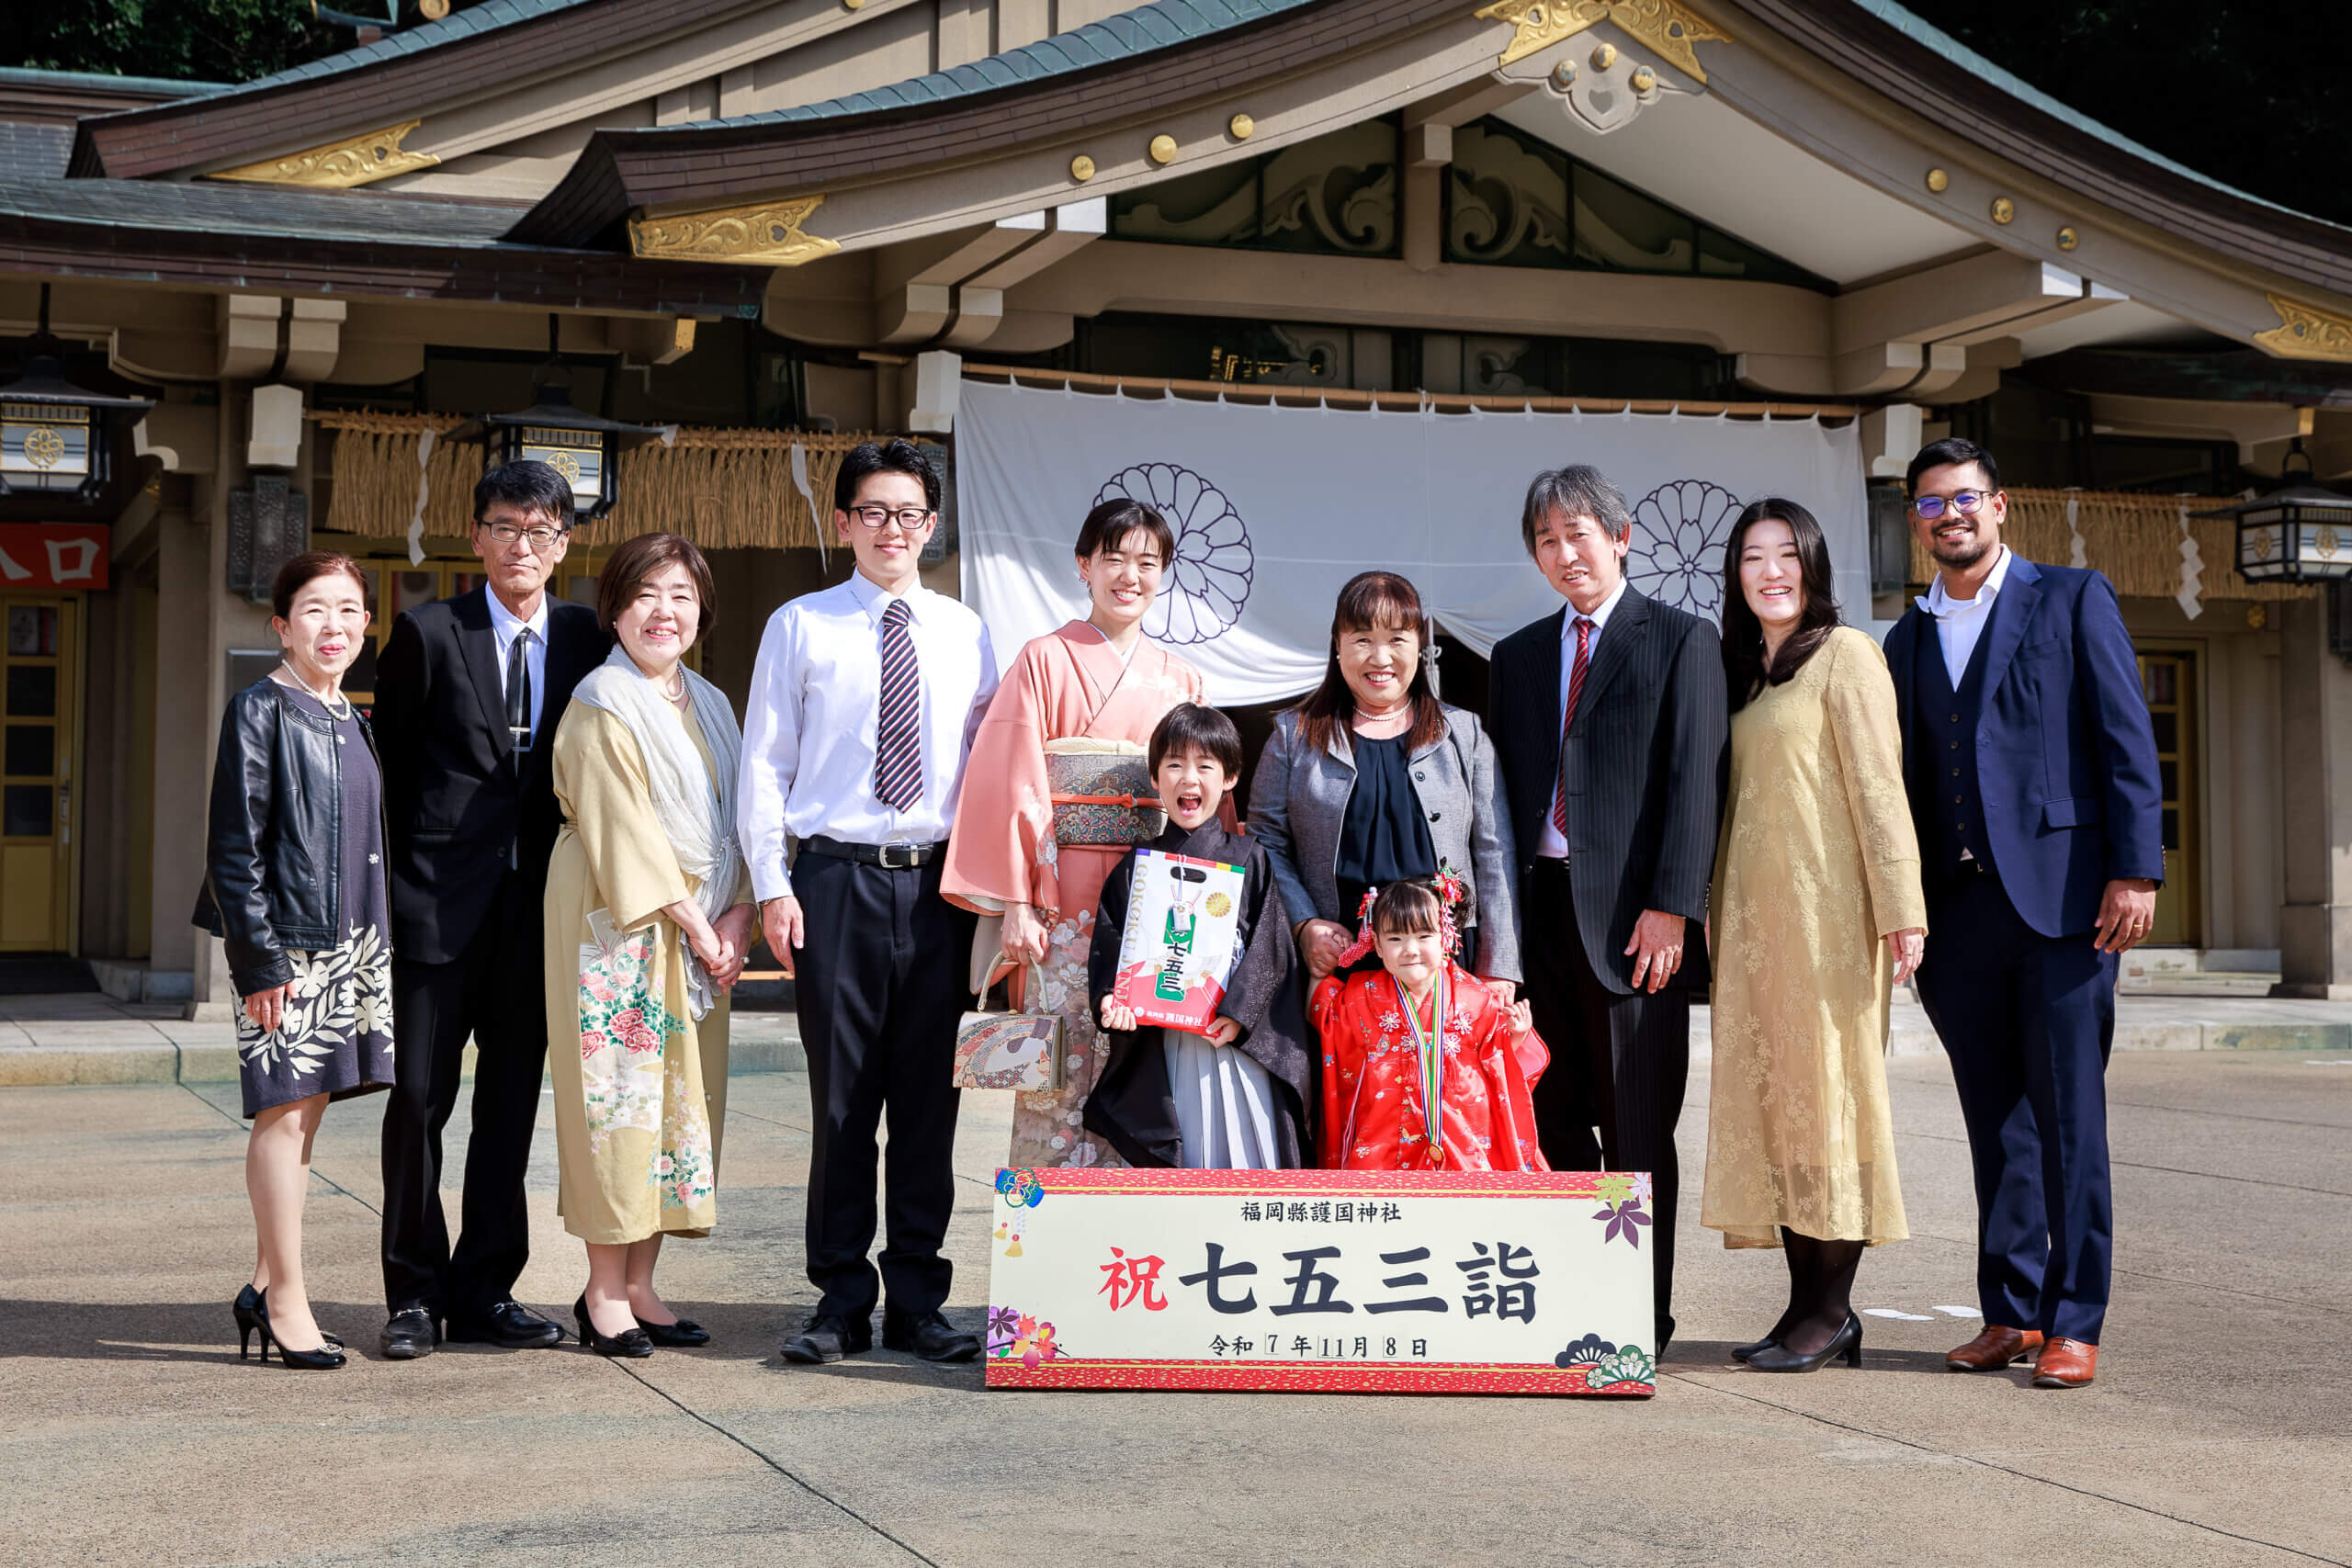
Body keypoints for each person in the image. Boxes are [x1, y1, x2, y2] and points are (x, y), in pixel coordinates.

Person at [1886, 437, 2163, 1391]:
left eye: (1964, 499)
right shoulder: (1906, 637)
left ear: (1999, 507)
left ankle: (2075, 1319)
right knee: (1992, 1122)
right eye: (1930, 505)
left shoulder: (2071, 598)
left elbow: (2126, 739)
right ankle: (2009, 1312)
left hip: (2064, 905)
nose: (1948, 515)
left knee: (2069, 1121)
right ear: (1916, 523)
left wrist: (2136, 871)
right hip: (1957, 917)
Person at [740, 439, 998, 1366]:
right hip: (833, 884)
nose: (893, 530)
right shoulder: (800, 625)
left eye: (911, 515)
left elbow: (994, 775)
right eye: (874, 512)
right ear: (843, 520)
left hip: (940, 888)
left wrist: (1001, 900)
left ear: (932, 527)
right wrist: (772, 882)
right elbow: (763, 764)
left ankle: (920, 1302)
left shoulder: (967, 633)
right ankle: (839, 1300)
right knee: (842, 1102)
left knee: (932, 1106)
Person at [371, 460, 611, 1359]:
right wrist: (391, 899)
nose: (524, 545)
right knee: (419, 1106)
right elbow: (390, 774)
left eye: (542, 531)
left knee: (508, 1111)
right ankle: (412, 1294)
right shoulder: (430, 633)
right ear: (476, 536)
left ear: (564, 544)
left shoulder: (589, 638)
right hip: (434, 909)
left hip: (539, 913)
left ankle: (484, 1292)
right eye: (507, 527)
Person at [1487, 463, 1726, 1359]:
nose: (1562, 553)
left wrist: (1672, 907)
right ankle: (1566, 1293)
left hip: (1634, 930)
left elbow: (1693, 786)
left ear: (1618, 537)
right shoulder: (1514, 659)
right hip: (1537, 923)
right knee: (1547, 1125)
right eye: (1545, 540)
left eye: (1576, 533)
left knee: (1634, 1130)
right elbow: (1504, 801)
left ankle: (1637, 1317)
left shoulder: (1677, 640)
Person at [1701, 499, 1928, 1373]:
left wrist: (1902, 907)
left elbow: (1880, 789)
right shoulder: (1746, 672)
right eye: (1753, 556)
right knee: (1780, 1111)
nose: (1770, 571)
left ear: (1813, 565)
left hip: (1832, 923)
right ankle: (1805, 1307)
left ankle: (1831, 1311)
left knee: (1831, 1105)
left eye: (1786, 554)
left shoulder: (1848, 656)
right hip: (1756, 930)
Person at [944, 498, 1212, 1171]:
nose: (1130, 574)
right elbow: (1012, 781)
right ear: (1083, 565)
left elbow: (1199, 796)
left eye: (1147, 562)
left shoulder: (1182, 678)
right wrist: (1016, 901)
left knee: (1145, 1064)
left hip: (1152, 900)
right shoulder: (1043, 659)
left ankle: (1131, 1241)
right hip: (1060, 895)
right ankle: (1045, 1239)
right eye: (1114, 557)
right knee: (1054, 1069)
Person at [544, 533, 754, 1358]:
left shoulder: (711, 701)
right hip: (619, 923)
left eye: (681, 595)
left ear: (701, 609)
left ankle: (641, 1282)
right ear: (616, 608)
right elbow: (620, 827)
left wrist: (736, 913)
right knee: (619, 1101)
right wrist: (703, 924)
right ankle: (601, 1289)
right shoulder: (602, 698)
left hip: (703, 931)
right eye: (646, 594)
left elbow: (740, 821)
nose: (664, 612)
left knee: (683, 1104)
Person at [196, 552, 395, 1370]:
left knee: (305, 1117)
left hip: (350, 943)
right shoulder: (261, 709)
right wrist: (260, 963)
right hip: (291, 949)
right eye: (316, 609)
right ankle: (286, 1303)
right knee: (283, 1115)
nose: (335, 625)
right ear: (282, 625)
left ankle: (259, 1283)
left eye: (349, 610)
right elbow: (234, 847)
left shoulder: (350, 716)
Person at [1250, 570, 1519, 994]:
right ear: (1337, 647)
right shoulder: (1293, 736)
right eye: (1362, 639)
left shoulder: (1463, 734)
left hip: (1445, 961)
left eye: (1397, 639)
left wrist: (1498, 965)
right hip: (1338, 960)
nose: (1380, 658)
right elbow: (1266, 843)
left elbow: (1493, 849)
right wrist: (1304, 924)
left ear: (1420, 646)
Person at [1086, 703, 1314, 1168]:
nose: (1189, 779)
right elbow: (1111, 939)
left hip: (1228, 1035)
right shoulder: (1139, 866)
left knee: (1245, 1155)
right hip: (1164, 1041)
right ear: (1154, 778)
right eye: (1173, 764)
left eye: (1205, 766)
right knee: (1183, 1156)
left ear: (1229, 777)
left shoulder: (1249, 858)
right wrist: (1111, 996)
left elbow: (1270, 950)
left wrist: (1239, 1013)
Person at [1311, 879, 1547, 1172]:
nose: (1410, 950)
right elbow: (1326, 1014)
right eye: (1395, 939)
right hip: (1384, 1137)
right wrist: (1319, 965)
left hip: (1461, 1134)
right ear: (1378, 947)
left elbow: (1494, 1059)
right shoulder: (1362, 995)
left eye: (1424, 936)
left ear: (1446, 938)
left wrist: (1515, 1036)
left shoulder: (1475, 997)